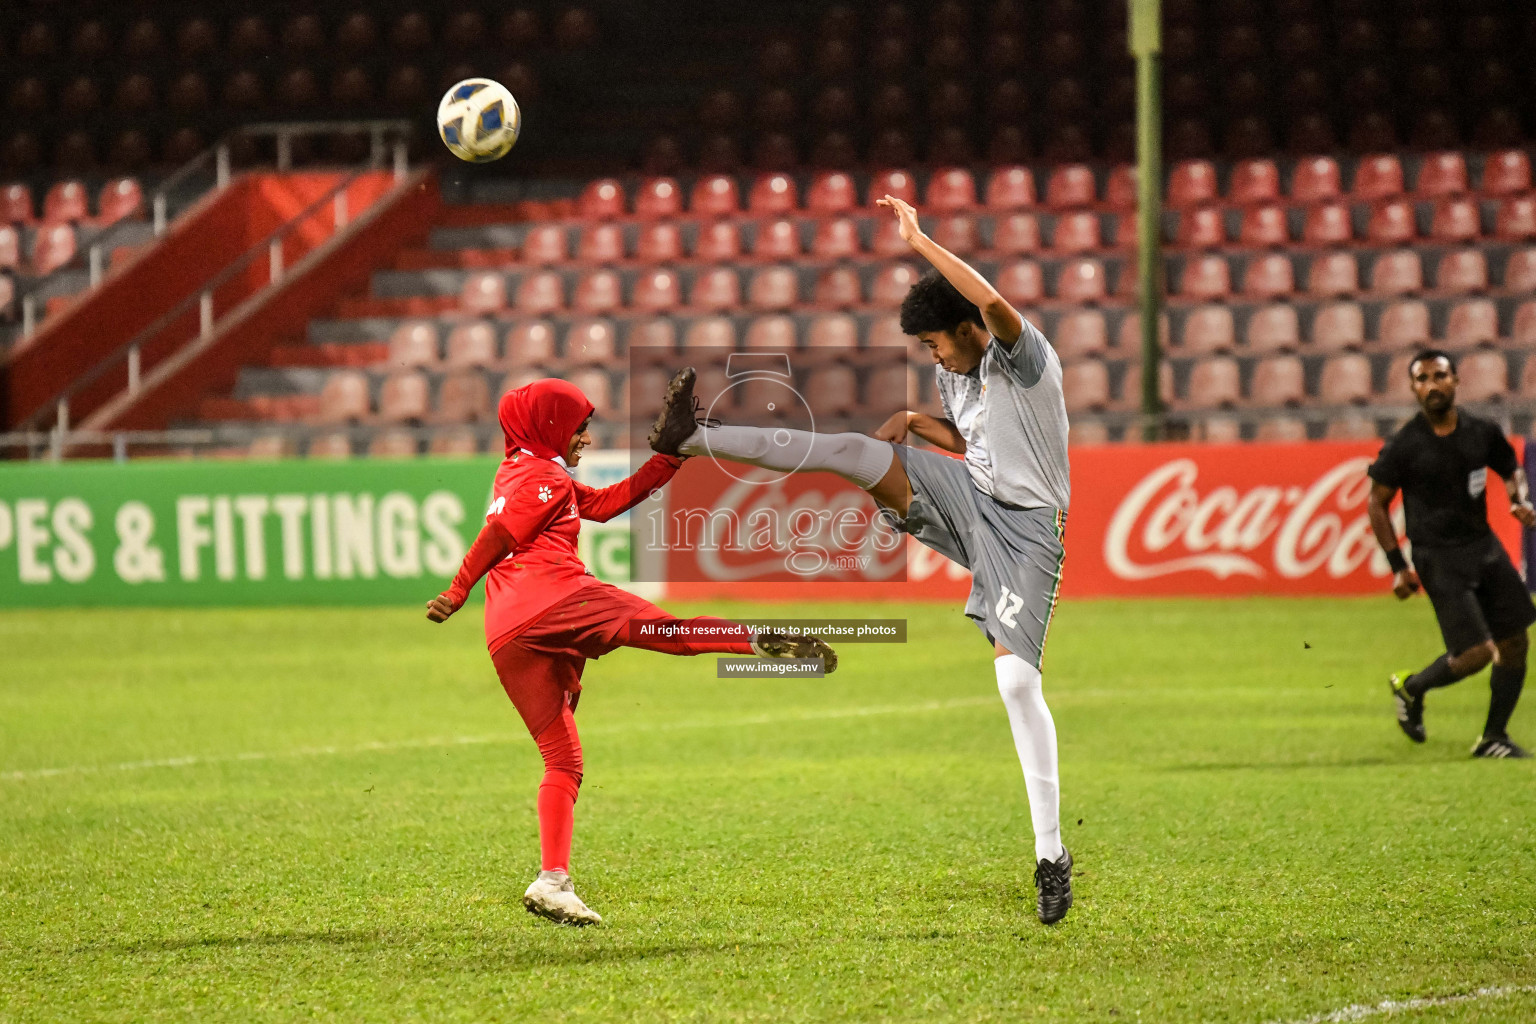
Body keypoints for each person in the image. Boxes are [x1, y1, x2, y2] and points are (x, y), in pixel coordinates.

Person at [647, 194, 1075, 924]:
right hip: (971, 495)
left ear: (971, 329)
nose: (932, 355)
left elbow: (995, 300)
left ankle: (1050, 855)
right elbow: (985, 444)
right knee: (853, 450)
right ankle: (691, 435)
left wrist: (920, 239)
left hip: (1028, 530)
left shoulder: (1025, 357)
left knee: (1014, 682)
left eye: (937, 341)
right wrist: (917, 426)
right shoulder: (955, 372)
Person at [428, 379, 837, 926]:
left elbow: (604, 505)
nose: (586, 440)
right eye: (579, 428)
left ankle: (553, 880)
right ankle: (757, 638)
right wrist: (457, 588)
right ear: (550, 426)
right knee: (672, 633)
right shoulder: (544, 476)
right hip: (558, 599)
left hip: (507, 635)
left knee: (564, 760)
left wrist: (667, 460)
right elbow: (500, 533)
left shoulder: (523, 473)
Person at [1368, 349, 1536, 758]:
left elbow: (1508, 464)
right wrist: (1398, 566)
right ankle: (1412, 688)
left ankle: (1493, 737)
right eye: (1422, 379)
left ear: (1456, 380)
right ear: (1413, 389)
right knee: (1476, 653)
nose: (1432, 385)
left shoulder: (1481, 432)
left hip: (1483, 546)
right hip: (1437, 555)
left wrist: (1519, 498)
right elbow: (1377, 503)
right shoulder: (1405, 444)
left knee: (1515, 642)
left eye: (1439, 376)